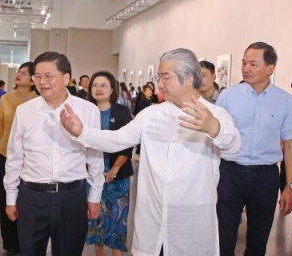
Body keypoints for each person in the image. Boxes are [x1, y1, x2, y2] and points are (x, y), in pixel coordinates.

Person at [60, 48, 241, 256]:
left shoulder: (215, 114)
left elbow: (234, 147)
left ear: (189, 79)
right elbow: (118, 139)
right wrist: (81, 131)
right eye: (159, 77)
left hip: (190, 222)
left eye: (165, 77)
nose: (159, 84)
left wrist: (213, 128)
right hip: (152, 219)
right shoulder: (152, 114)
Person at [3, 52, 104, 256]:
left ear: (66, 78)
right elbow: (15, 157)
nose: (42, 82)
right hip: (32, 197)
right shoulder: (25, 111)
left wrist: (95, 195)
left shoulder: (88, 111)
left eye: (49, 76)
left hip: (72, 198)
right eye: (37, 76)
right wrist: (11, 197)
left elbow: (95, 156)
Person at [216, 42, 292, 256]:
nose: (246, 68)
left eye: (253, 64)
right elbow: (216, 136)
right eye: (244, 63)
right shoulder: (228, 97)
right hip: (230, 172)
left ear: (270, 68)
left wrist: (290, 186)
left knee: (258, 241)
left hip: (265, 177)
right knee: (223, 238)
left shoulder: (284, 101)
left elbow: (291, 146)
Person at [85, 71, 133, 256]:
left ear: (112, 89)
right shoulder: (87, 110)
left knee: (117, 219)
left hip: (118, 176)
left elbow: (128, 143)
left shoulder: (121, 112)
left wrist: (115, 168)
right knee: (96, 219)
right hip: (92, 176)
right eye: (95, 85)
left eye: (103, 85)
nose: (98, 88)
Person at [0, 63, 37, 255]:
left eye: (25, 73)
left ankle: (26, 240)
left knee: (27, 199)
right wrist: (10, 147)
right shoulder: (5, 99)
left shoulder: (38, 101)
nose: (19, 74)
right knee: (7, 197)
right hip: (6, 155)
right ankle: (11, 242)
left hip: (31, 158)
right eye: (19, 71)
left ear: (32, 80)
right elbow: (0, 127)